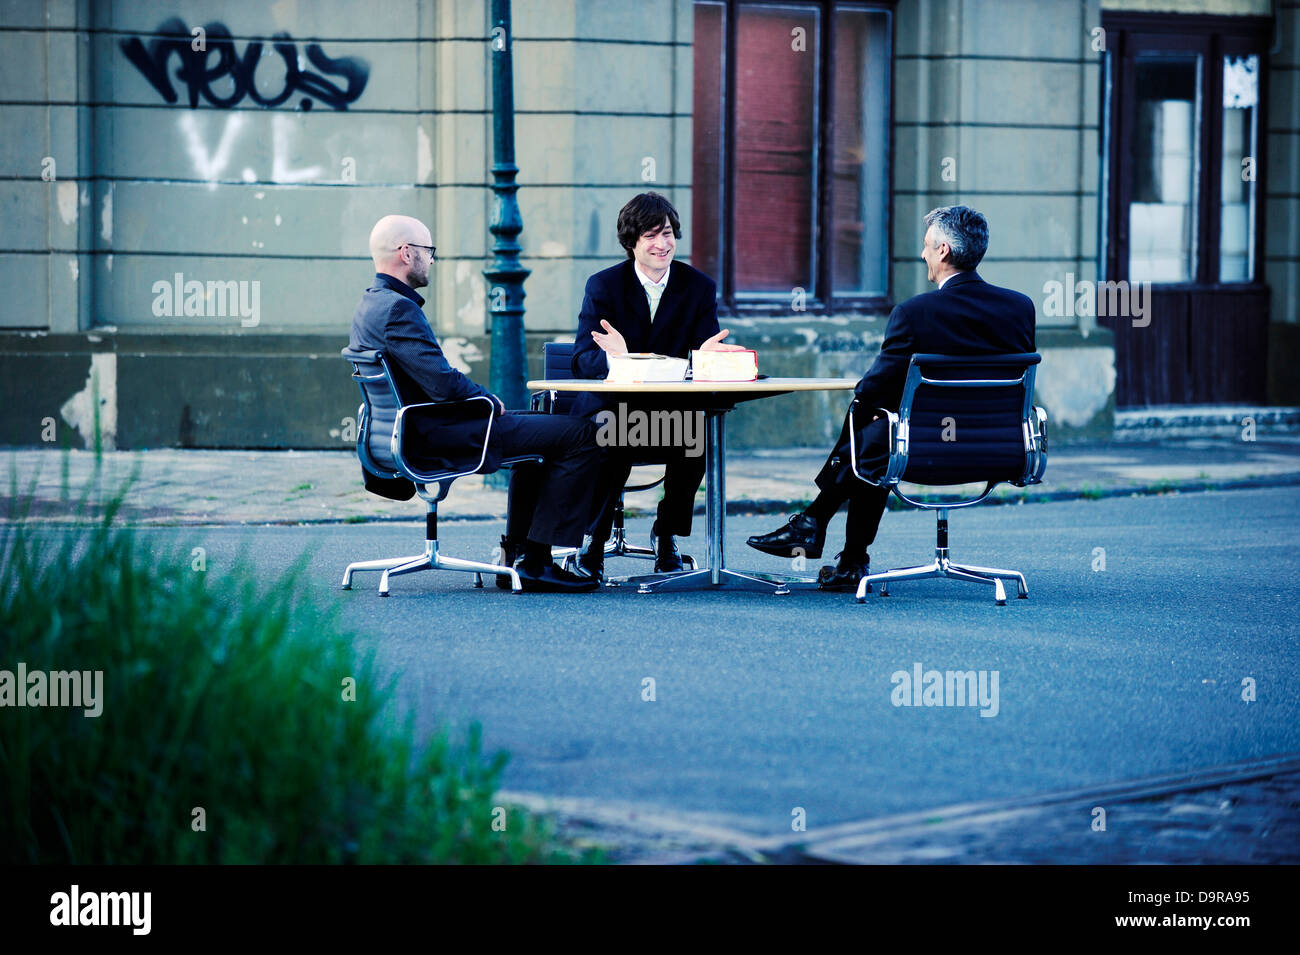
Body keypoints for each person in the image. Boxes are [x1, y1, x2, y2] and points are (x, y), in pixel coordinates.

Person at [746, 205, 1036, 590]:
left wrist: (871, 400)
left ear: (944, 251)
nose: (922, 254)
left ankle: (818, 526)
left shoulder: (914, 313)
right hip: (1000, 448)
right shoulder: (1019, 308)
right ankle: (836, 548)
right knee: (878, 434)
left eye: (927, 246)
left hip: (927, 450)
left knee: (873, 427)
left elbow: (873, 389)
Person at [349, 214, 599, 593]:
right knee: (581, 434)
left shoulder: (371, 303)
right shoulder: (399, 309)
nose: (431, 260)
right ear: (405, 253)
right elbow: (441, 383)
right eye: (427, 251)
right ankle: (536, 561)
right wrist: (486, 397)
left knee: (541, 434)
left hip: (412, 432)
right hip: (440, 433)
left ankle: (516, 554)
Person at [569, 192, 742, 577]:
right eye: (650, 235)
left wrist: (710, 359)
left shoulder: (698, 287)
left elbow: (703, 359)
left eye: (667, 234)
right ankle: (592, 543)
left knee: (696, 436)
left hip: (669, 412)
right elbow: (582, 361)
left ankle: (667, 536)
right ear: (632, 241)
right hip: (613, 412)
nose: (662, 244)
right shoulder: (604, 287)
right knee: (613, 437)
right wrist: (618, 359)